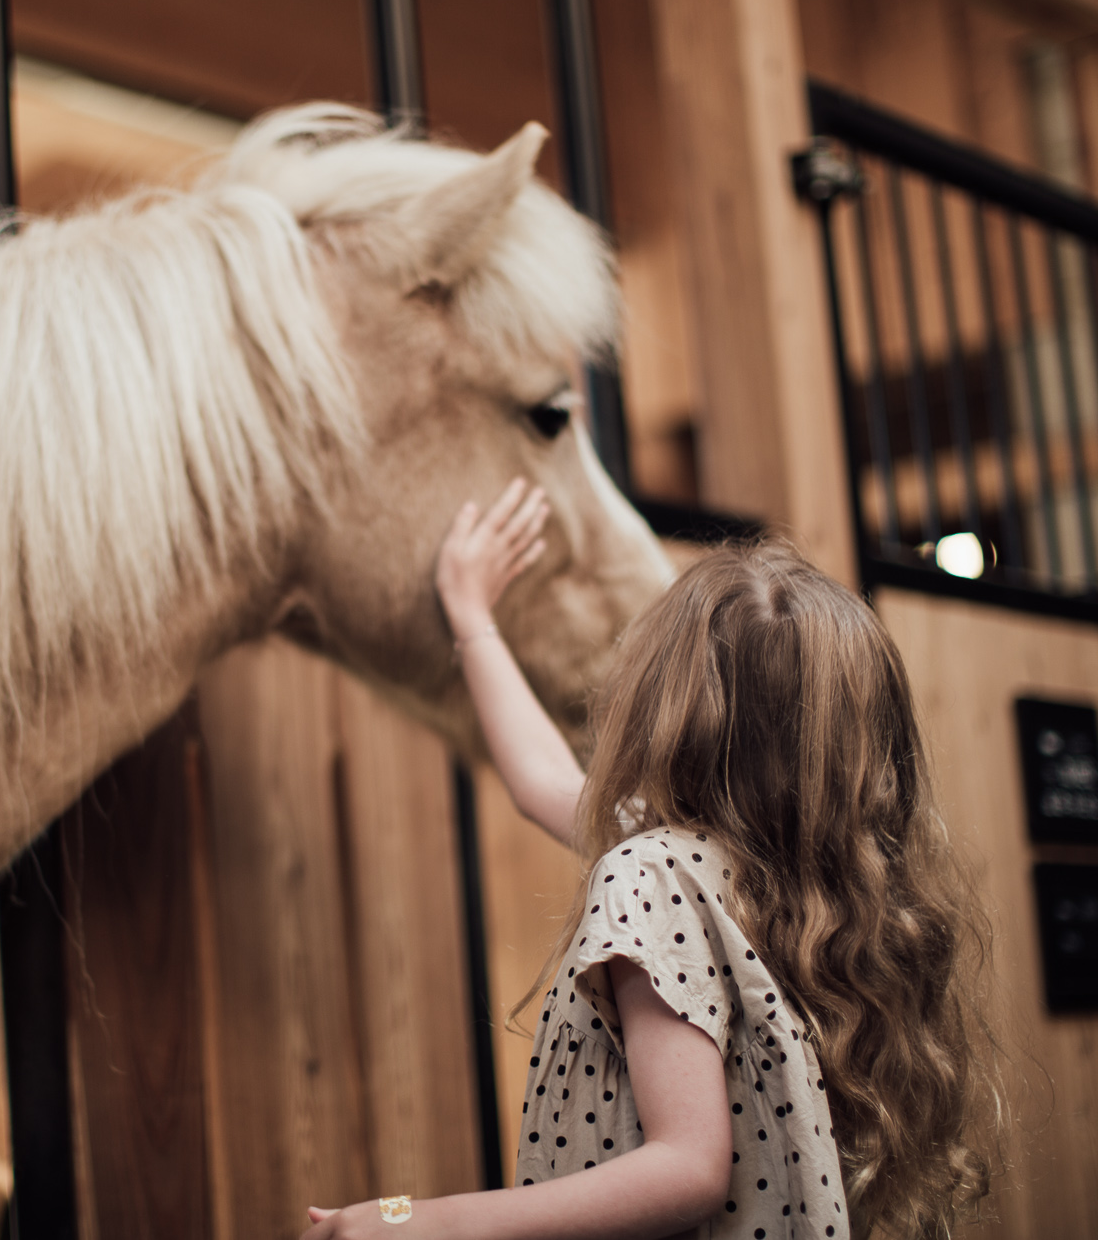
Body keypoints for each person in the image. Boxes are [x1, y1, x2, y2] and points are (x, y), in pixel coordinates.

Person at [304, 481, 992, 1240]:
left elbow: (688, 1168)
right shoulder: (807, 884)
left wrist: (409, 1218)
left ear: (669, 706)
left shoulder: (655, 872)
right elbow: (542, 782)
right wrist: (472, 620)